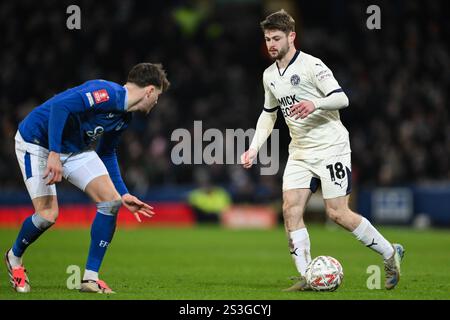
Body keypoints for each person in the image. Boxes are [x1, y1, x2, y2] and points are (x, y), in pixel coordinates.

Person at [241, 10, 404, 291]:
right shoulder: (269, 76)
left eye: (276, 38)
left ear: (292, 36)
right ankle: (308, 276)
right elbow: (268, 114)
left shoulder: (312, 66)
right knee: (290, 210)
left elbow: (342, 98)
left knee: (338, 213)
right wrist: (254, 148)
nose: (271, 44)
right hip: (300, 152)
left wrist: (315, 103)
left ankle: (390, 253)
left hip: (331, 147)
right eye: (267, 39)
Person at [5, 63, 170, 294]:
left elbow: (106, 153)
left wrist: (123, 193)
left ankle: (90, 279)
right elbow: (60, 108)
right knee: (47, 215)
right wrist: (53, 153)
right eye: (158, 96)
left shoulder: (124, 118)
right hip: (37, 142)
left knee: (111, 202)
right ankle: (14, 257)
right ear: (150, 90)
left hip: (74, 149)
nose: (156, 103)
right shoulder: (105, 93)